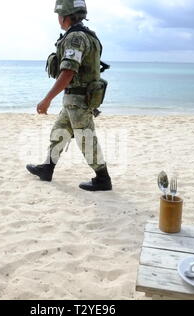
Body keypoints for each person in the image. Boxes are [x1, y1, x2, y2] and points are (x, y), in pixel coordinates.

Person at [26, 0, 112, 192]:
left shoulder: (75, 38)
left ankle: (103, 179)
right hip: (74, 99)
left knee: (86, 138)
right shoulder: (88, 35)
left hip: (78, 100)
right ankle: (47, 168)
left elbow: (68, 72)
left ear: (65, 16)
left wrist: (47, 99)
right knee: (59, 132)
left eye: (59, 15)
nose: (58, 19)